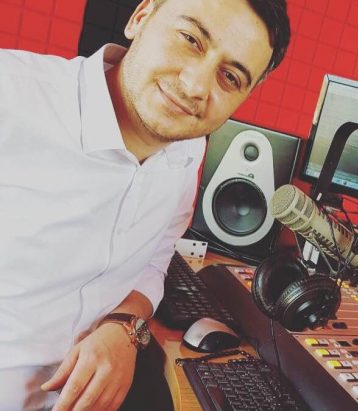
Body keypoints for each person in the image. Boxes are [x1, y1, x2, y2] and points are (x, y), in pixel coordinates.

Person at [0, 0, 290, 409]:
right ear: (141, 17)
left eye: (229, 77)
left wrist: (125, 327)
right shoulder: (11, 94)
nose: (195, 86)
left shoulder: (187, 149)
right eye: (190, 39)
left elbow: (155, 259)